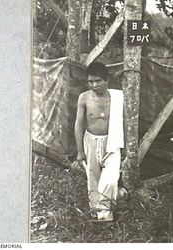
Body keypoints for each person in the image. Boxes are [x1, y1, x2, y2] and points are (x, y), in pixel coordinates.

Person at [74, 62, 124, 222]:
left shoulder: (117, 97)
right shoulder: (84, 98)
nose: (94, 85)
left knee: (110, 179)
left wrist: (127, 147)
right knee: (93, 177)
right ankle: (100, 214)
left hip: (112, 141)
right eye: (90, 82)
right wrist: (80, 151)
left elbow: (125, 121)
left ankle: (105, 212)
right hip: (91, 141)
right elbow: (79, 124)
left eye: (98, 81)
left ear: (107, 79)